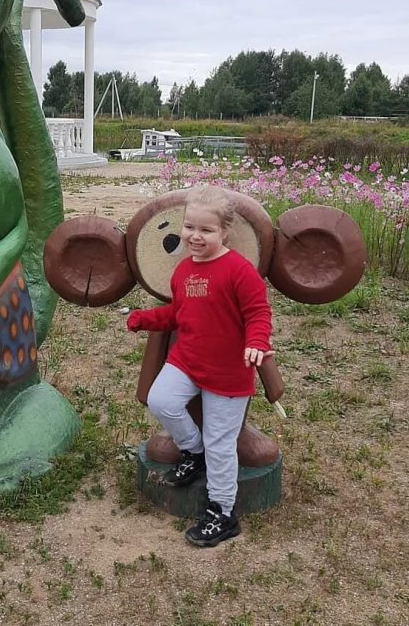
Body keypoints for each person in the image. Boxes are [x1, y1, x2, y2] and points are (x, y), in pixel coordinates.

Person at [127, 185, 273, 547]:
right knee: (161, 400)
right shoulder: (183, 272)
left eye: (206, 230)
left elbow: (258, 313)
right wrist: (147, 318)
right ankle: (193, 450)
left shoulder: (239, 271)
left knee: (222, 443)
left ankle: (223, 512)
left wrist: (256, 342)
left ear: (225, 232)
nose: (195, 236)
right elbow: (180, 312)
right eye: (190, 227)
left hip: (227, 371)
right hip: (188, 360)